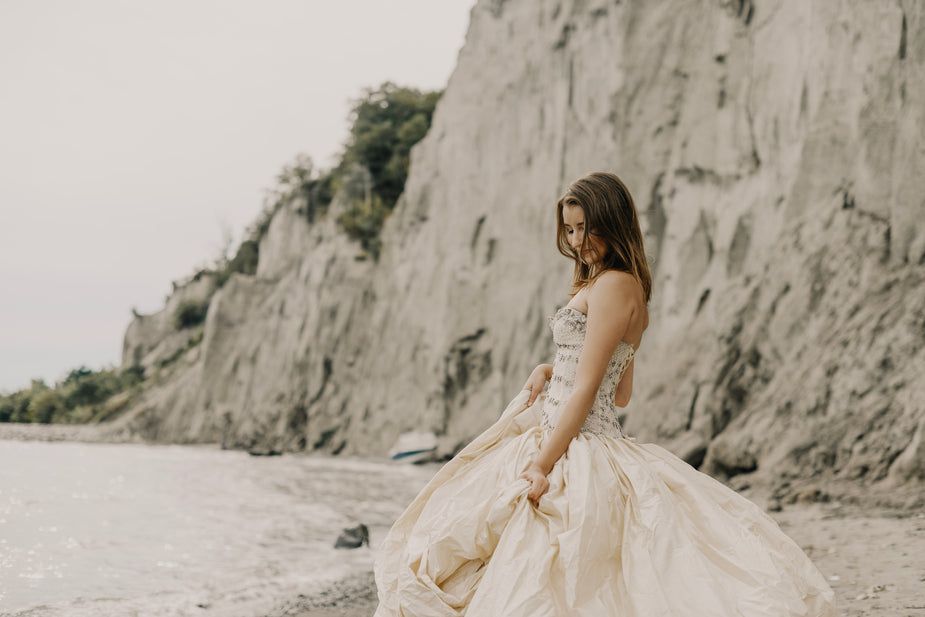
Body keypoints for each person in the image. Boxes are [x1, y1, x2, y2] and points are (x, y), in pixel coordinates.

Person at [372, 172, 838, 616]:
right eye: (570, 230)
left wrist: (541, 464)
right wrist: (549, 368)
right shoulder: (621, 285)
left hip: (573, 443)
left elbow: (592, 388)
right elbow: (622, 390)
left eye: (585, 228)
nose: (576, 241)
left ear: (613, 222)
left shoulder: (614, 285)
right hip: (574, 433)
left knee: (546, 573)